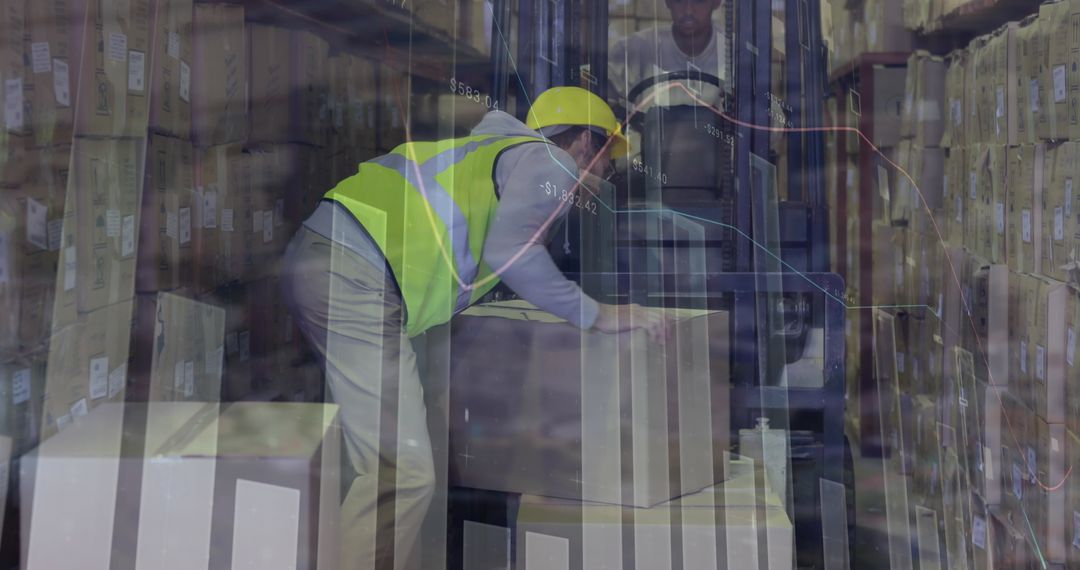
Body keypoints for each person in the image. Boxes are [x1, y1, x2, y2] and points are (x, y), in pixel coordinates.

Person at [280, 86, 669, 569]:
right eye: (609, 156)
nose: (607, 173)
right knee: (403, 472)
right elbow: (513, 256)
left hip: (337, 260)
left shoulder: (490, 153)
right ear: (587, 142)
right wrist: (601, 315)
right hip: (356, 274)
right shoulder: (552, 164)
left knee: (386, 460)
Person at [608, 0, 728, 112]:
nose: (688, 11)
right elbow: (599, 100)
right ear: (667, 2)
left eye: (698, 1)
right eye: (679, 0)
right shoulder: (632, 50)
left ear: (716, 2)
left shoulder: (735, 55)